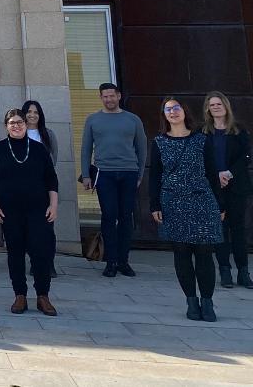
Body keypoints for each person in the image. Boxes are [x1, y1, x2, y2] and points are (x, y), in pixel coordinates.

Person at [149, 97, 225, 322]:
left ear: (185, 111)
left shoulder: (201, 139)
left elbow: (212, 172)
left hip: (202, 200)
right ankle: (191, 301)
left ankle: (207, 302)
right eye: (168, 109)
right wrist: (154, 204)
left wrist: (220, 203)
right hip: (173, 201)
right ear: (164, 115)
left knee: (204, 252)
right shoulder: (159, 142)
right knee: (181, 252)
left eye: (176, 108)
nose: (173, 112)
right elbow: (154, 176)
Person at [0, 108, 59, 316]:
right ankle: (20, 295)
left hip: (38, 210)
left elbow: (51, 179)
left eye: (19, 122)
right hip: (9, 211)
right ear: (6, 126)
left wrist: (53, 205)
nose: (16, 126)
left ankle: (43, 296)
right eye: (12, 123)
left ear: (26, 125)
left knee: (41, 252)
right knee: (15, 253)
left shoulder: (38, 149)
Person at [79, 82, 147, 278]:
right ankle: (111, 261)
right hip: (104, 173)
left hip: (128, 172)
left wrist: (140, 174)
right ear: (101, 98)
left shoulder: (133, 120)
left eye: (112, 95)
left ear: (118, 96)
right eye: (105, 96)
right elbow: (86, 148)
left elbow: (142, 148)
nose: (109, 99)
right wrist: (85, 175)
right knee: (109, 215)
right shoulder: (93, 120)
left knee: (126, 216)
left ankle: (123, 261)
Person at [202, 91, 252, 289]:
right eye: (212, 104)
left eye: (219, 104)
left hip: (236, 186)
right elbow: (202, 159)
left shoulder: (239, 130)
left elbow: (245, 156)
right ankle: (224, 270)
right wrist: (216, 175)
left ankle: (243, 272)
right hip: (214, 188)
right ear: (208, 109)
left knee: (238, 229)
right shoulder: (202, 132)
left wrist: (228, 173)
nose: (216, 107)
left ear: (226, 106)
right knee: (220, 229)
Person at [22, 99, 59, 279]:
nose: (32, 115)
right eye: (29, 112)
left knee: (46, 229)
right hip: (23, 189)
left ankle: (48, 263)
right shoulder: (18, 133)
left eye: (36, 112)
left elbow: (54, 160)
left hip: (44, 189)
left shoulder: (48, 135)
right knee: (28, 229)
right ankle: (34, 262)